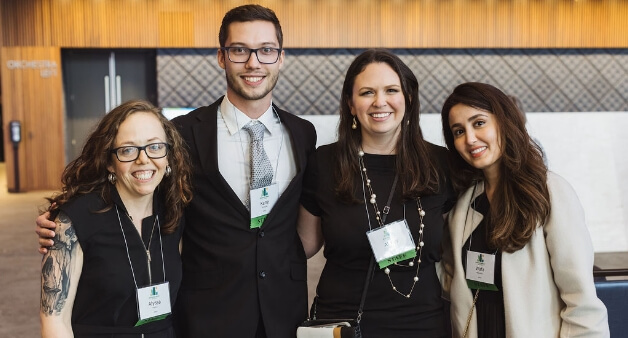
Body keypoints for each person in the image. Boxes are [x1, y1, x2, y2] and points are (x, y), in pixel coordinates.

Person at [38, 4, 316, 338]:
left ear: (281, 57)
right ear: (221, 56)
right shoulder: (180, 133)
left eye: (266, 50)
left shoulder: (302, 133)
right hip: (208, 314)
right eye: (240, 50)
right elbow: (132, 184)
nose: (253, 62)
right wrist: (66, 220)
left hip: (284, 311)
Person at [298, 49, 456, 337]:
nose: (379, 102)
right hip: (341, 326)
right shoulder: (324, 163)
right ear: (350, 103)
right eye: (367, 92)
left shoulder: (442, 165)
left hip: (422, 324)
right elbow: (301, 246)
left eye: (391, 90)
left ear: (408, 97)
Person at [439, 82, 609, 337]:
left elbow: (581, 301)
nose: (470, 139)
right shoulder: (463, 204)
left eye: (479, 123)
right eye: (458, 131)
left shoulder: (549, 192)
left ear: (504, 122)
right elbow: (450, 280)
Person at [39, 100, 193, 337]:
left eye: (154, 147)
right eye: (128, 150)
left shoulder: (175, 211)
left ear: (168, 156)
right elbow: (54, 320)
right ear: (110, 162)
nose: (144, 159)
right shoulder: (76, 219)